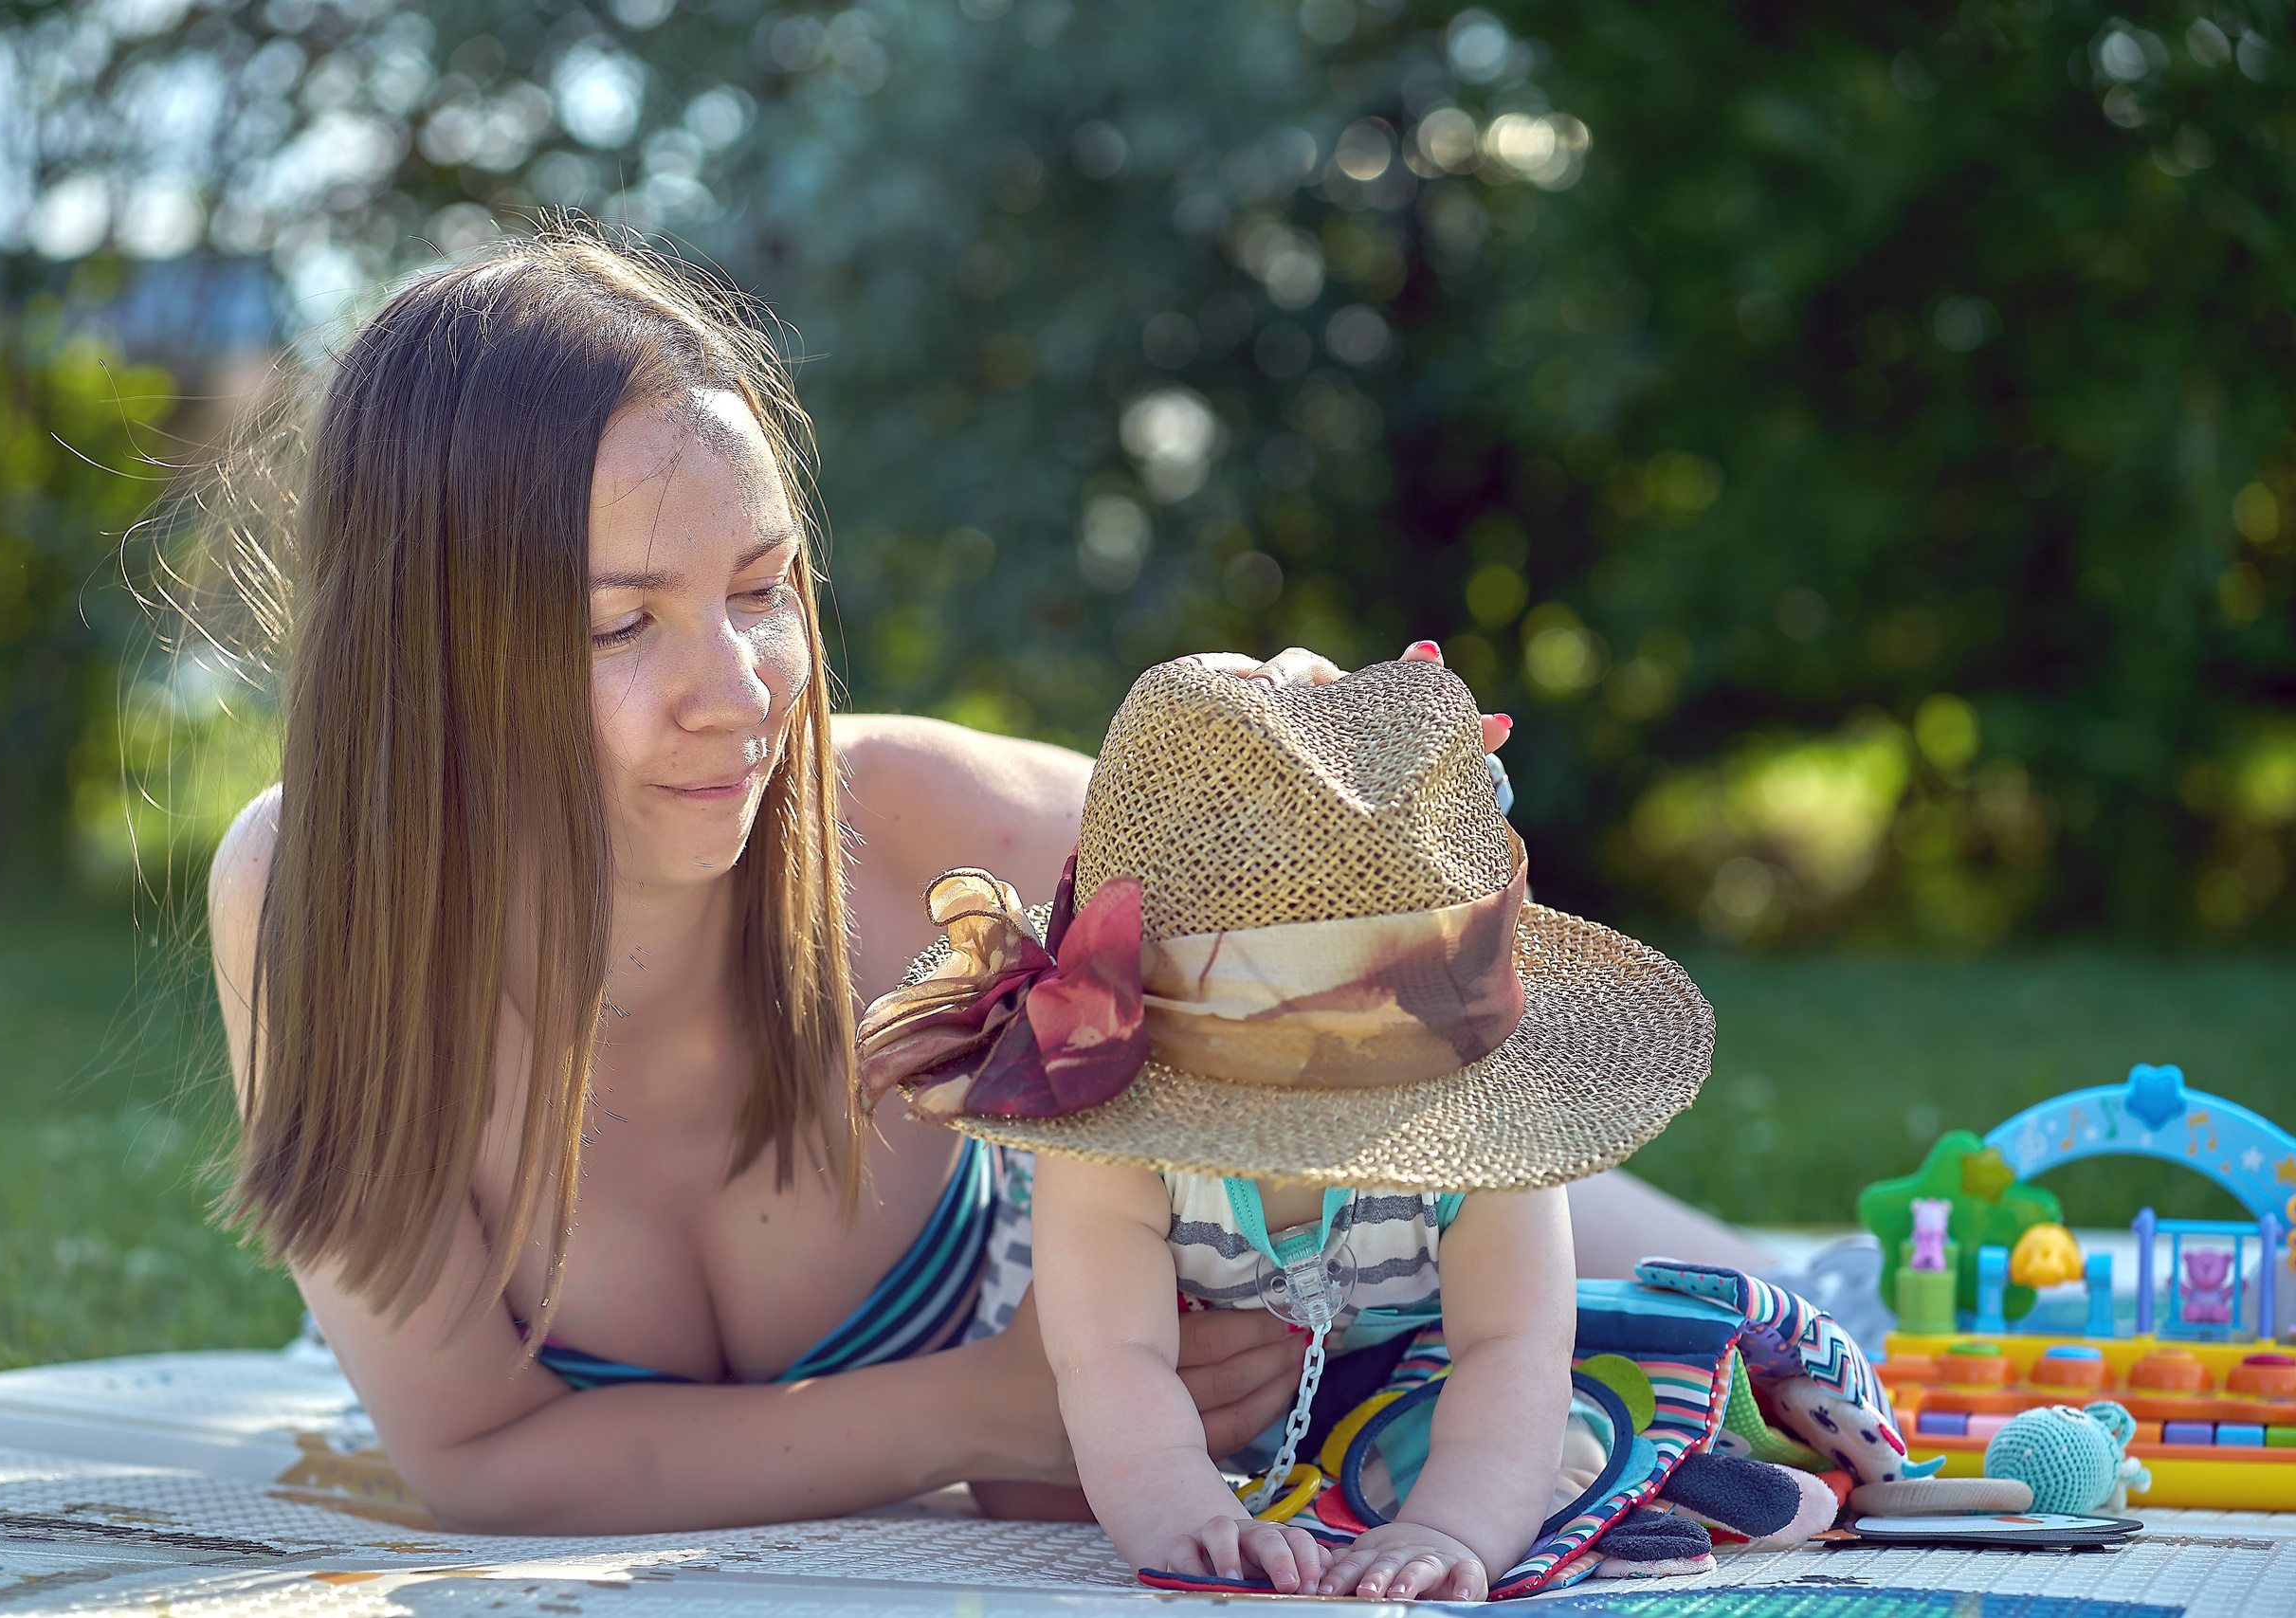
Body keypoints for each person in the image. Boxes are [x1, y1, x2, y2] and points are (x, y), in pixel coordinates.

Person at [200, 227, 1764, 1536]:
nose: (741, 692)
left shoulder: (927, 825)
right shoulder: (315, 899)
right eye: (622, 624)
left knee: (1711, 1281)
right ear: (432, 657)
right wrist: (988, 1407)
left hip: (1414, 1348)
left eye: (763, 591)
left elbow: (1376, 977)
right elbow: (478, 1456)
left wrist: (1768, 1294)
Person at [853, 658, 1713, 1598]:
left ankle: (1693, 1467)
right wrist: (1191, 1523)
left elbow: (1514, 1344)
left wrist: (1448, 1531)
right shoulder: (1115, 1137)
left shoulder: (1471, 1126)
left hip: (1394, 1366)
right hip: (1157, 1389)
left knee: (1565, 1433)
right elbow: (1114, 1360)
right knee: (1035, 1487)